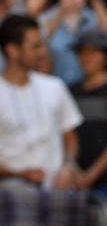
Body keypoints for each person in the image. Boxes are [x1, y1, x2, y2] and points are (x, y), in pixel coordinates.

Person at [0, 15, 82, 189]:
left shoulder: (54, 86)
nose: (43, 51)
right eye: (35, 46)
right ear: (12, 50)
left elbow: (70, 136)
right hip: (9, 193)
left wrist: (68, 165)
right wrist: (20, 174)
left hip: (55, 191)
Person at [70, 28, 107, 217]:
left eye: (93, 51)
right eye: (82, 52)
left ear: (106, 56)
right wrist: (74, 170)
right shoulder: (71, 91)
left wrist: (91, 175)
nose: (87, 57)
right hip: (73, 179)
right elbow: (66, 135)